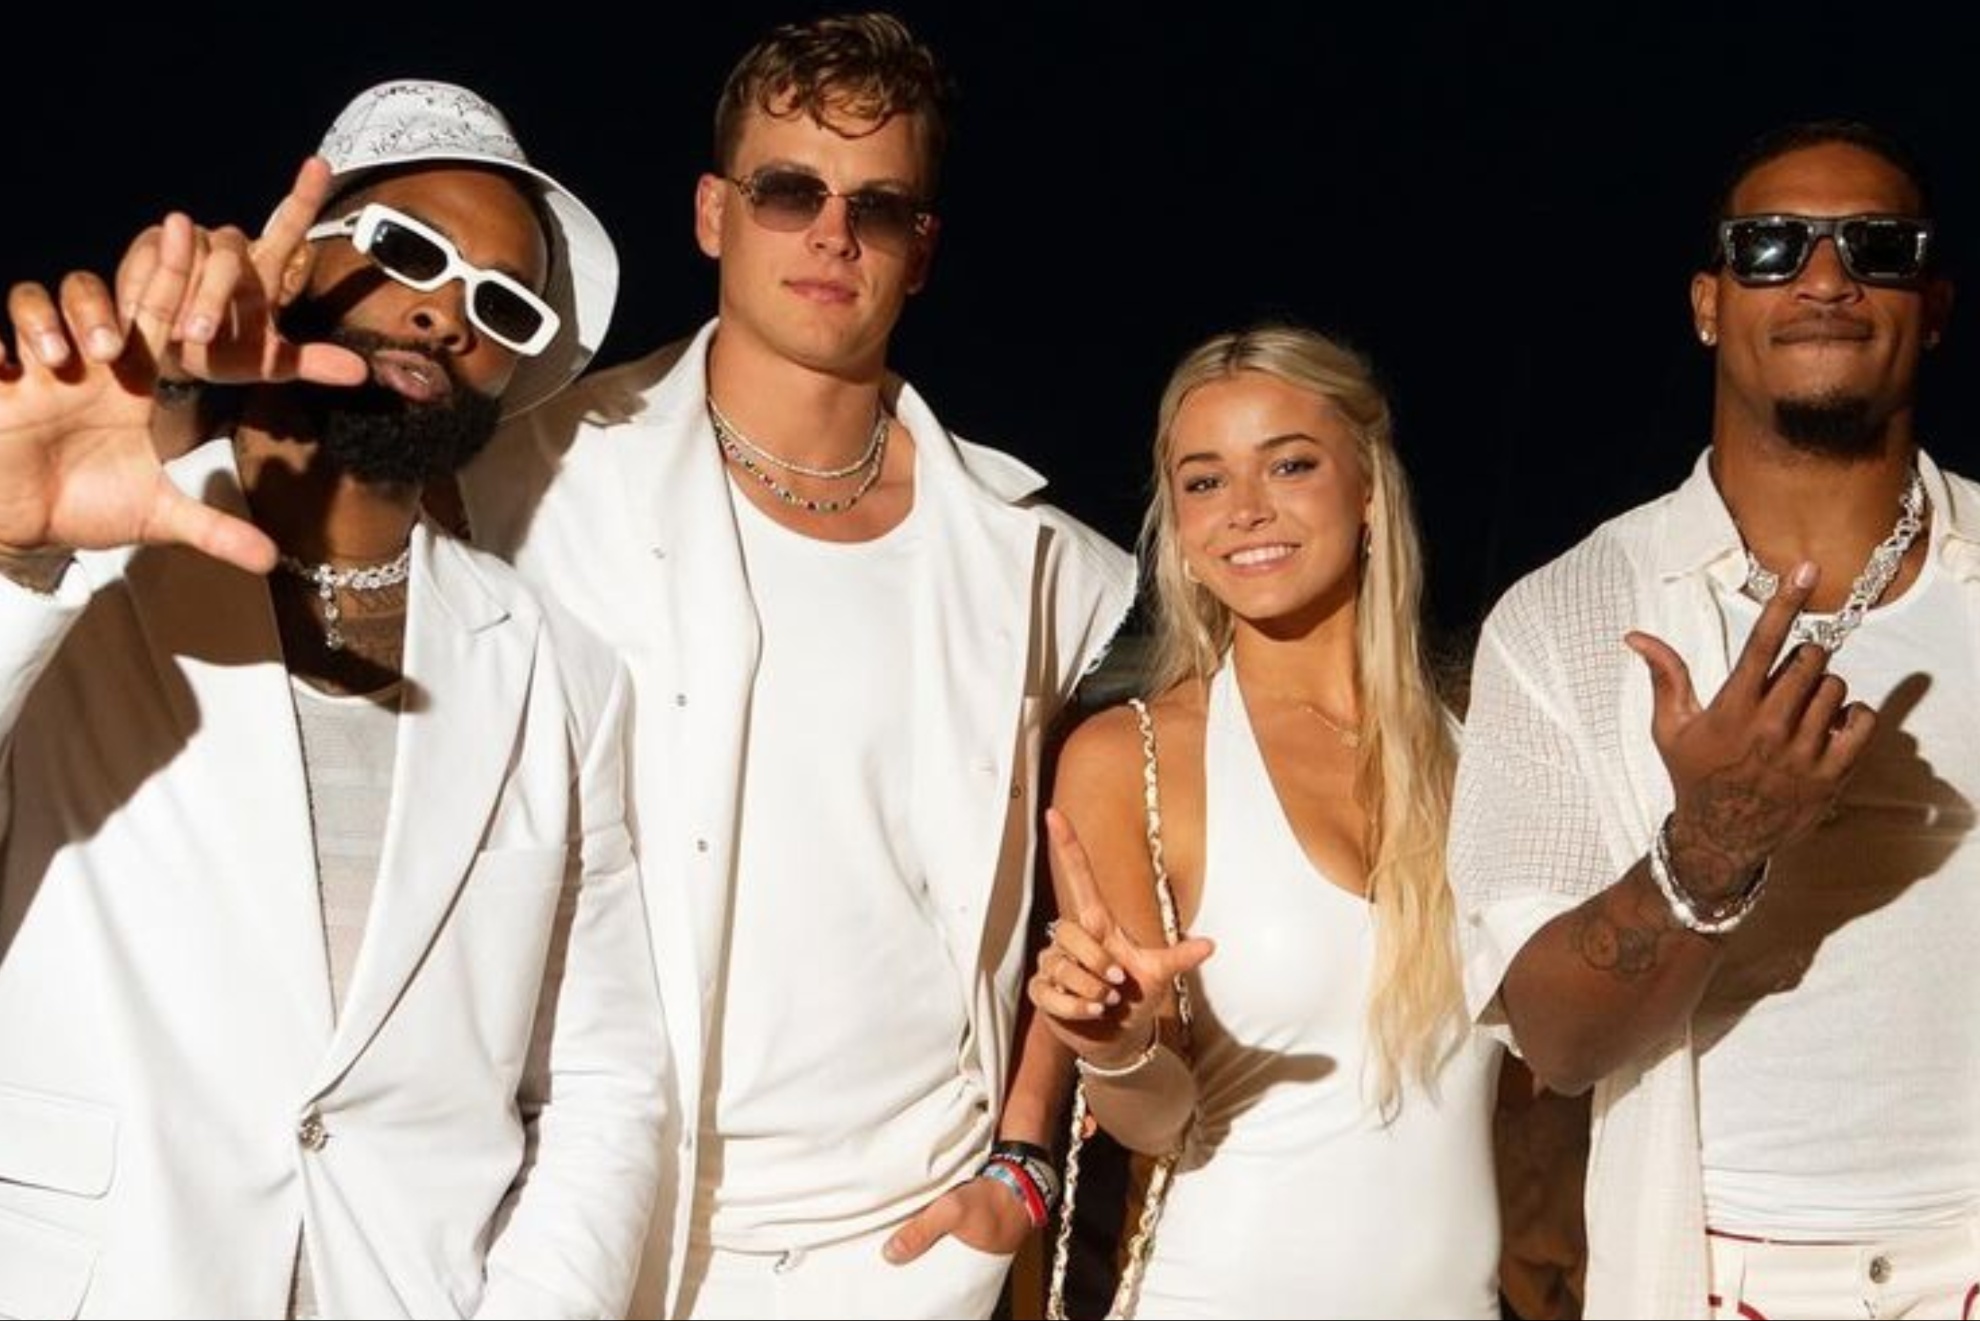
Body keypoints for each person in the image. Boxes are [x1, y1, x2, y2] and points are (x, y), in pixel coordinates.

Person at [452, 13, 1137, 1319]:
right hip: (586, 1220)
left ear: (920, 252)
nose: (833, 234)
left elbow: (1091, 871)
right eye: (789, 190)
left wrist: (1027, 1158)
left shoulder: (1034, 560)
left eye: (878, 209)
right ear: (715, 212)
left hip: (908, 1242)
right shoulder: (531, 477)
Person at [0, 80, 667, 1318]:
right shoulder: (76, 569)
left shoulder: (558, 670)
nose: (445, 310)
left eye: (500, 302)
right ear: (294, 259)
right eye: (410, 248)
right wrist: (11, 545)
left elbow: (601, 1078)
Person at [1448, 118, 1976, 1319]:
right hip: (1720, 1272)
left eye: (1877, 248)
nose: (1827, 278)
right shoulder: (1569, 619)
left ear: (1932, 305)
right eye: (1773, 245)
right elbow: (1555, 1039)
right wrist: (1714, 845)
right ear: (1708, 302)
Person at [1028, 323, 1503, 1318]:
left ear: (1368, 488)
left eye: (1288, 463)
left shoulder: (1485, 752)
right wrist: (1115, 1043)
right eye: (1204, 481)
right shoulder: (1134, 756)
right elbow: (1156, 1118)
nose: (1245, 510)